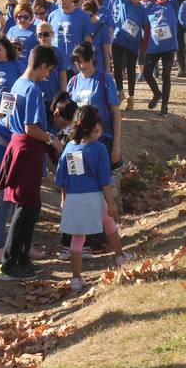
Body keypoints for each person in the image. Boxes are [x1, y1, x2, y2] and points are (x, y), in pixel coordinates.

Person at [0, 46, 65, 281]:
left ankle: (22, 257)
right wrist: (52, 140)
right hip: (26, 149)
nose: (48, 75)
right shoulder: (33, 89)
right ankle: (8, 263)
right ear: (43, 66)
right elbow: (30, 128)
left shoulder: (16, 84)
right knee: (25, 206)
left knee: (31, 205)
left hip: (17, 146)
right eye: (48, 70)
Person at [56, 106, 130, 292]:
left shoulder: (70, 147)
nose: (100, 134)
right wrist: (111, 203)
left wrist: (64, 200)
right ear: (92, 128)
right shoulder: (98, 149)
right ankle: (120, 255)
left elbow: (61, 178)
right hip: (94, 198)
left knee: (77, 238)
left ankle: (76, 278)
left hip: (73, 199)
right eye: (98, 130)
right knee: (109, 222)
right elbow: (105, 180)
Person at [111, 0, 149, 109]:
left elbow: (146, 26)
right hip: (119, 40)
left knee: (131, 70)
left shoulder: (142, 9)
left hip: (133, 44)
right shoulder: (124, 2)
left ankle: (131, 97)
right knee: (118, 67)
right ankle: (120, 92)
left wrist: (146, 42)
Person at [143, 0, 180, 115]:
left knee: (166, 75)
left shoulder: (173, 5)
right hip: (153, 47)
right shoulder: (150, 8)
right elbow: (146, 29)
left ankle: (164, 106)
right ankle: (157, 93)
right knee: (146, 73)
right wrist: (144, 47)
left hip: (169, 48)